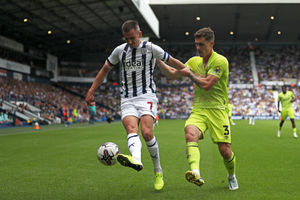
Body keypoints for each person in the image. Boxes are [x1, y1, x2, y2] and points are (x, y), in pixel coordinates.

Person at [85, 20, 184, 191]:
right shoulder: (119, 51)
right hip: (127, 99)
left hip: (147, 96)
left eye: (132, 38)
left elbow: (173, 62)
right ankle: (136, 159)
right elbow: (104, 70)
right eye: (126, 39)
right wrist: (91, 91)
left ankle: (158, 171)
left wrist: (192, 72)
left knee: (146, 133)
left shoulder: (151, 48)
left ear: (139, 33)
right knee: (131, 128)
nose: (130, 42)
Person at [157, 27, 238, 190]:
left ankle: (231, 176)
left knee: (225, 151)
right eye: (196, 44)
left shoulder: (220, 61)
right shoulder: (194, 61)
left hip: (218, 110)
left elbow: (207, 84)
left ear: (211, 43)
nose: (198, 48)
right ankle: (195, 173)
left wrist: (190, 75)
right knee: (190, 133)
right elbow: (172, 74)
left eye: (201, 44)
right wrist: (157, 59)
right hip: (199, 109)